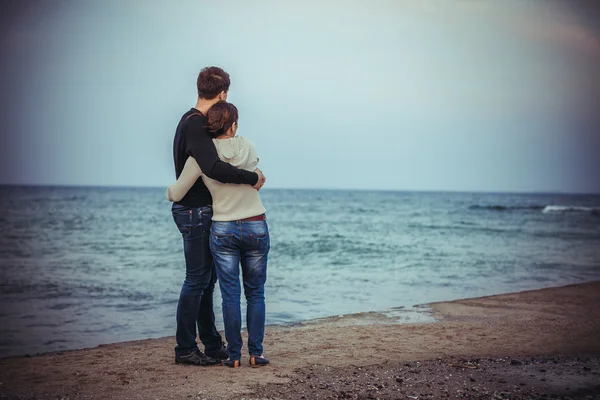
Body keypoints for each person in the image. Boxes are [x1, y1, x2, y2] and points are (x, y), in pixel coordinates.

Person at [171, 66, 266, 366]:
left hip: (198, 210)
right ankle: (185, 348)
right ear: (223, 93)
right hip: (195, 210)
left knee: (206, 281)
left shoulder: (192, 122)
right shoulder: (196, 124)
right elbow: (213, 167)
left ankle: (212, 344)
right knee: (197, 280)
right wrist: (251, 178)